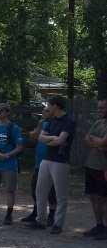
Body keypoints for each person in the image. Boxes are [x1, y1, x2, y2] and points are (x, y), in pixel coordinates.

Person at [29, 95, 76, 234]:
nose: (47, 108)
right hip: (47, 159)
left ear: (55, 106)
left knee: (60, 195)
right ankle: (41, 220)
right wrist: (52, 138)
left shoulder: (69, 121)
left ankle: (58, 224)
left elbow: (60, 141)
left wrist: (51, 139)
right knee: (40, 191)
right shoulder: (50, 120)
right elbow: (41, 137)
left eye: (48, 105)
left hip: (60, 161)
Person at [21, 106, 57, 225]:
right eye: (43, 110)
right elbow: (33, 137)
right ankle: (36, 212)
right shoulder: (42, 123)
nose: (43, 113)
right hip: (39, 162)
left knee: (51, 190)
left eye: (46, 111)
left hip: (51, 161)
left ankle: (52, 214)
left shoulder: (55, 125)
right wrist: (40, 125)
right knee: (35, 187)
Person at [82, 99, 107, 240]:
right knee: (93, 197)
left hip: (103, 167)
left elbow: (104, 142)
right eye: (98, 108)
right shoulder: (98, 123)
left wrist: (98, 142)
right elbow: (86, 139)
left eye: (102, 108)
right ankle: (99, 225)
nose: (100, 110)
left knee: (103, 199)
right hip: (91, 165)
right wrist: (99, 144)